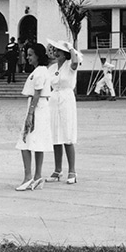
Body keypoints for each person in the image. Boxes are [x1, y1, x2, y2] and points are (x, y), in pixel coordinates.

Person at [14, 43, 53, 191]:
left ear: (38, 55)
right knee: (37, 143)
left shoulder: (39, 72)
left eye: (30, 55)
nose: (27, 57)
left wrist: (30, 115)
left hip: (37, 108)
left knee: (25, 142)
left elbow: (37, 94)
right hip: (39, 107)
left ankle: (28, 177)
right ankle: (37, 177)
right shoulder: (41, 70)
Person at [47, 39, 81, 185]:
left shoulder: (70, 65)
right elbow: (49, 85)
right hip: (54, 100)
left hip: (67, 99)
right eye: (55, 51)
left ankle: (72, 170)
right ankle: (57, 169)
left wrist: (71, 48)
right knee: (55, 136)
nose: (56, 53)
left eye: (58, 51)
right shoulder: (52, 67)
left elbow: (75, 61)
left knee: (67, 135)